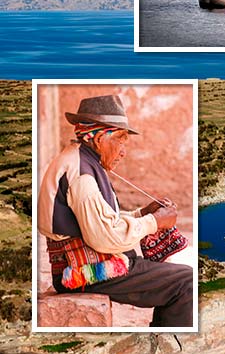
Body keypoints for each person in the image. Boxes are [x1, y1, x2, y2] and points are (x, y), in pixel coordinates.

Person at [38, 95, 193, 328]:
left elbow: (100, 220)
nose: (123, 151)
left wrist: (142, 214)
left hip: (94, 265)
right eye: (120, 140)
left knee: (178, 277)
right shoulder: (82, 174)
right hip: (87, 272)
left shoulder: (81, 160)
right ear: (100, 138)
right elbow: (105, 238)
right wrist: (154, 222)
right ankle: (170, 346)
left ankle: (164, 342)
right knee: (187, 281)